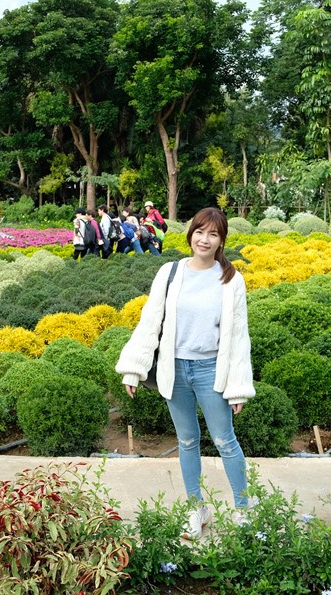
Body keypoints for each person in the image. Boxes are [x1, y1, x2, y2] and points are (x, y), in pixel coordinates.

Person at [116, 206, 255, 540]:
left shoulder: (230, 279)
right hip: (174, 369)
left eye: (213, 234)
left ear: (221, 241)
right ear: (190, 233)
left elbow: (238, 334)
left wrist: (238, 387)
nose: (204, 240)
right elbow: (151, 320)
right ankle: (197, 510)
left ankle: (242, 510)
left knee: (225, 440)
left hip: (210, 370)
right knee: (187, 441)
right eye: (199, 232)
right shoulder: (170, 272)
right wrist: (134, 368)